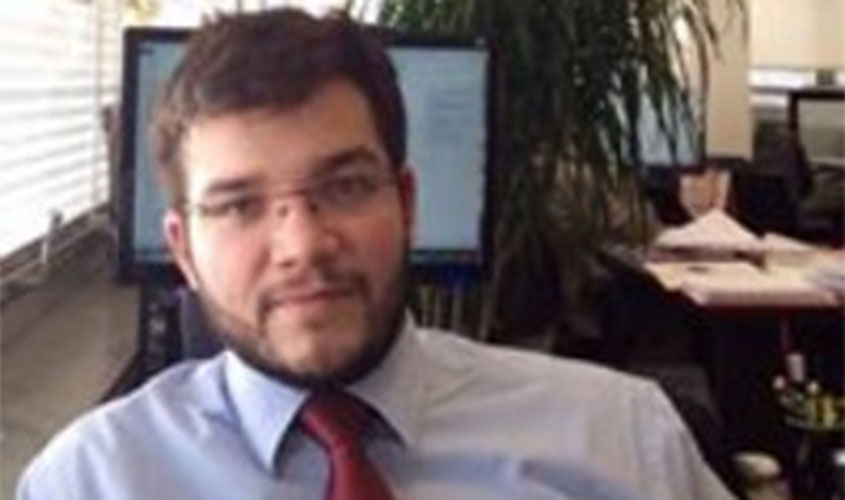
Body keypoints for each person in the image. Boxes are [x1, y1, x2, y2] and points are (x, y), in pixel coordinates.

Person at [18, 8, 734, 500]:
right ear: (183, 250)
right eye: (238, 205)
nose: (302, 245)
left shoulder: (622, 440)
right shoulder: (91, 481)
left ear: (407, 203)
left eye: (346, 186)